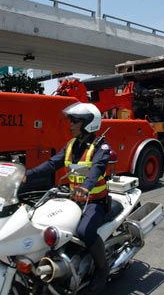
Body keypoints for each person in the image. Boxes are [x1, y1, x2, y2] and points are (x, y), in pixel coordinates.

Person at [25, 102, 112, 294]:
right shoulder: (71, 145)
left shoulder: (101, 147)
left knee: (84, 231)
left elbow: (96, 169)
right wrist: (25, 175)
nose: (70, 124)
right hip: (73, 201)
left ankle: (102, 271)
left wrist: (85, 188)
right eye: (70, 120)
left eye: (75, 121)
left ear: (88, 123)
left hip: (95, 202)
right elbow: (51, 164)